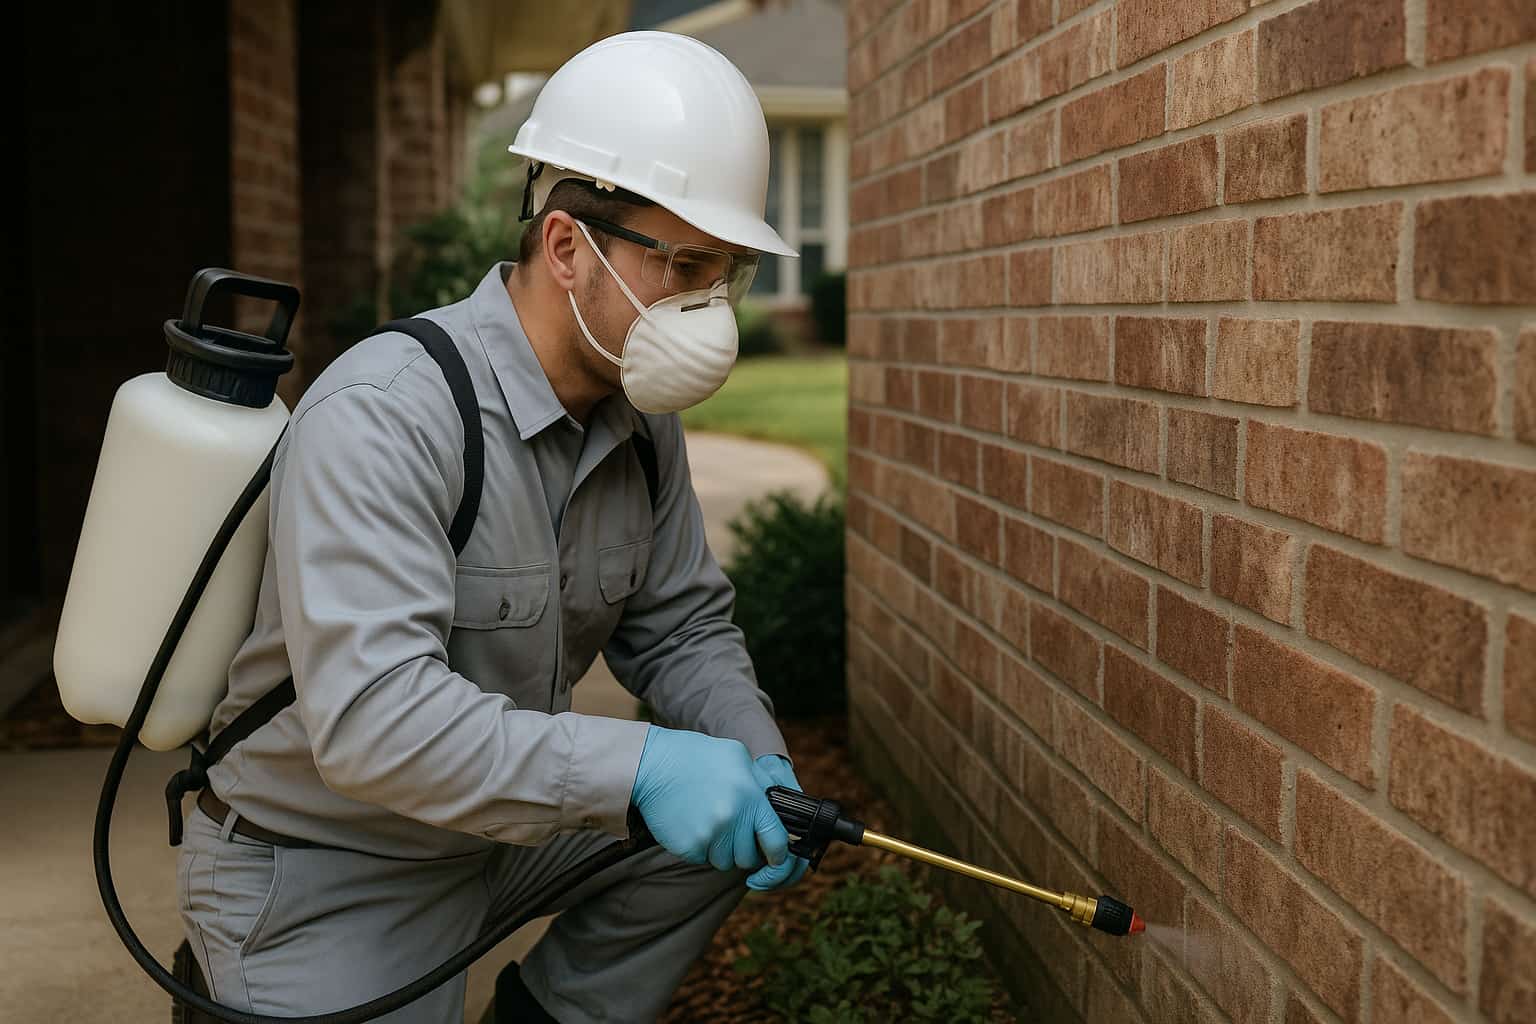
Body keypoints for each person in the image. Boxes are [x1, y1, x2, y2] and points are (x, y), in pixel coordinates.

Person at [177, 31, 808, 1024]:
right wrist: (642, 768)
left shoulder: (642, 423)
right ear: (567, 246)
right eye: (685, 263)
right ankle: (240, 975)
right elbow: (374, 724)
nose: (711, 309)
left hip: (490, 835)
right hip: (325, 863)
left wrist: (753, 755)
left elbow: (683, 628)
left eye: (725, 271)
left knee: (718, 834)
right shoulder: (388, 412)